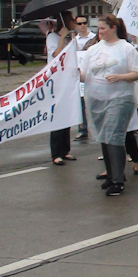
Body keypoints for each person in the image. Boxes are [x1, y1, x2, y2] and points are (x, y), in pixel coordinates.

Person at [79, 16, 138, 196]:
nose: (100, 32)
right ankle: (111, 175)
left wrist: (120, 77)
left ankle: (118, 180)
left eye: (103, 28)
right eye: (98, 28)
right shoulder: (93, 50)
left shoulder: (126, 48)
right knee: (104, 136)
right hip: (97, 98)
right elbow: (85, 75)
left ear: (113, 28)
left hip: (120, 97)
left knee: (114, 136)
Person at [47, 11, 77, 166]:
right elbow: (56, 55)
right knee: (58, 115)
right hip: (56, 80)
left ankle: (65, 150)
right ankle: (56, 152)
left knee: (67, 114)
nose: (75, 22)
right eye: (72, 20)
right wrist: (61, 38)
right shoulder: (52, 37)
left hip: (68, 80)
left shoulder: (70, 38)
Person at [73, 15, 96, 141]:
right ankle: (82, 129)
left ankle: (95, 128)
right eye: (79, 23)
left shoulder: (94, 38)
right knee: (80, 104)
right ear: (76, 26)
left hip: (91, 74)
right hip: (79, 75)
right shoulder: (74, 40)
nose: (82, 26)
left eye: (84, 23)